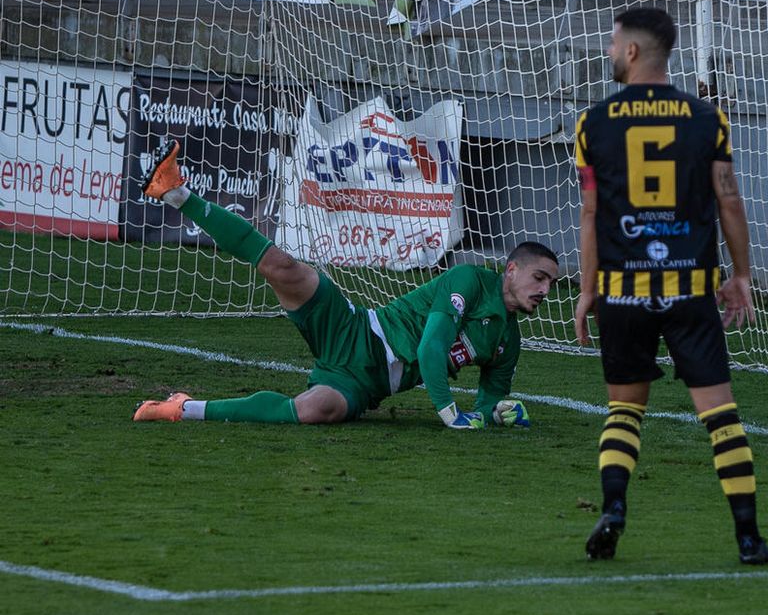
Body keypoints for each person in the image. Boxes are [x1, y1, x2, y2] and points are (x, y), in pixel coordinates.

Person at [131, 140, 559, 429]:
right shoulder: (469, 279)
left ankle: (180, 408)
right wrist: (451, 415)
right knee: (284, 267)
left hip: (367, 385)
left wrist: (494, 412)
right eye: (539, 277)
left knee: (316, 409)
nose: (543, 289)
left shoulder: (508, 340)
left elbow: (487, 400)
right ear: (511, 270)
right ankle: (176, 193)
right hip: (357, 331)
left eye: (551, 284)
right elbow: (430, 349)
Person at [573, 7, 768, 566]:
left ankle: (613, 508)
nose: (610, 52)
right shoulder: (707, 119)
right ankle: (749, 539)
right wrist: (741, 276)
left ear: (633, 52)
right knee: (721, 416)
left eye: (614, 43)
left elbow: (591, 213)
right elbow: (728, 199)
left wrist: (588, 290)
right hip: (689, 287)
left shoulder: (592, 123)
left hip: (622, 288)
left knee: (624, 411)